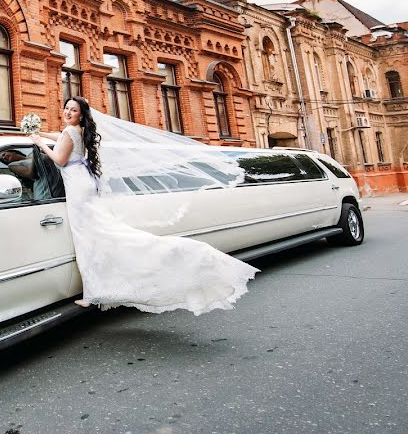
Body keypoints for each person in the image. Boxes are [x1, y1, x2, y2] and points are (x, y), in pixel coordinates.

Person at [30, 96, 259, 315]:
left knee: (88, 238)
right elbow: (61, 137)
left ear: (81, 115)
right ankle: (94, 291)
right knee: (98, 234)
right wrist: (40, 132)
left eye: (73, 110)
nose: (68, 112)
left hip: (78, 189)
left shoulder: (71, 131)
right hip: (84, 183)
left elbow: (60, 159)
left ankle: (93, 294)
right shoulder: (77, 131)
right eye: (66, 108)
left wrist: (40, 143)